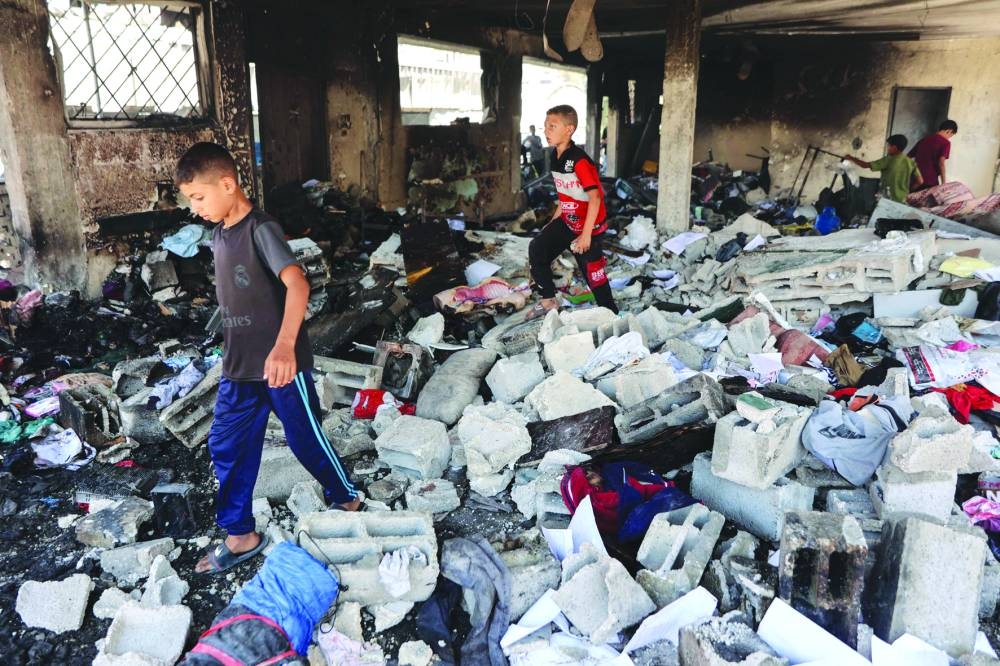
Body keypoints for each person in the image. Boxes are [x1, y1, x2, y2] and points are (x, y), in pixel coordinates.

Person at [174, 142, 361, 574]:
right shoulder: (219, 235)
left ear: (227, 185)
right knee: (226, 444)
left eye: (198, 197)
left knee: (304, 439)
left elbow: (298, 285)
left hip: (281, 365)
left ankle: (346, 497)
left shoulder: (261, 229)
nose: (195, 209)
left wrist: (284, 346)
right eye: (190, 201)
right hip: (239, 367)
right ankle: (240, 534)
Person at [527, 105, 618, 318]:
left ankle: (611, 314)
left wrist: (586, 236)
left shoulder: (579, 160)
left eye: (552, 126)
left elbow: (595, 198)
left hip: (589, 226)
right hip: (569, 220)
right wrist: (553, 223)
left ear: (569, 130)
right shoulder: (555, 157)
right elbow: (565, 195)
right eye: (545, 126)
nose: (546, 131)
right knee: (537, 248)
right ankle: (549, 300)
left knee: (594, 275)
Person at [844, 134, 923, 203]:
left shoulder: (888, 160)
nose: (887, 148)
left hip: (887, 198)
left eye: (889, 146)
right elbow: (920, 181)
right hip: (902, 199)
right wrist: (908, 191)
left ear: (894, 147)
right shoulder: (910, 162)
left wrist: (851, 158)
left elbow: (865, 165)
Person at [909, 119, 958, 189]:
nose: (949, 138)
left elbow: (908, 157)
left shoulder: (924, 140)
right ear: (949, 131)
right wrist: (943, 182)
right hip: (930, 181)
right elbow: (941, 163)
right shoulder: (945, 143)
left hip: (915, 179)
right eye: (951, 136)